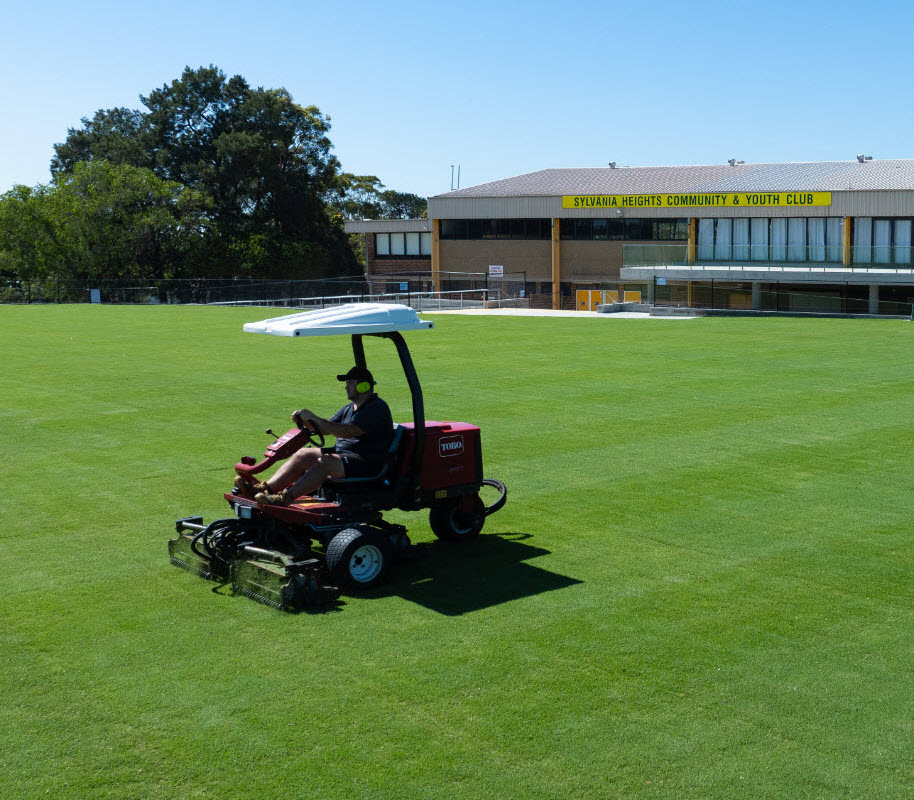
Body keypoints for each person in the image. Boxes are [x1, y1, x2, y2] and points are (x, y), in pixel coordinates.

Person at [237, 366, 394, 507]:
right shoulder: (349, 408)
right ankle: (265, 489)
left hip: (366, 462)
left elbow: (347, 431)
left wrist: (317, 420)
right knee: (303, 454)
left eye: (350, 383)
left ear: (364, 386)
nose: (346, 387)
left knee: (326, 461)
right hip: (345, 456)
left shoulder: (376, 408)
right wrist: (306, 421)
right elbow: (325, 429)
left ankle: (286, 498)